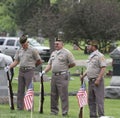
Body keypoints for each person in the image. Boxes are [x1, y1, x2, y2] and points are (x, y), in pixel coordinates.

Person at [4, 35, 42, 110]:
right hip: (21, 70)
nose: (23, 46)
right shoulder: (19, 50)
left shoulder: (32, 50)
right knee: (20, 89)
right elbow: (16, 61)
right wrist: (9, 67)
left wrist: (33, 66)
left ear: (27, 42)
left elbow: (39, 60)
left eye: (24, 44)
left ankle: (29, 107)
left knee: (29, 89)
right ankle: (20, 107)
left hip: (29, 70)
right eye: (22, 44)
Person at [41, 38, 76, 116]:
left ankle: (64, 111)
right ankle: (54, 111)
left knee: (63, 94)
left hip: (62, 75)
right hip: (54, 76)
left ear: (62, 45)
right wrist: (44, 71)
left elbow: (73, 63)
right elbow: (49, 64)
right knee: (53, 94)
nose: (56, 45)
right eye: (55, 44)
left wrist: (65, 68)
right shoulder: (53, 53)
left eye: (58, 44)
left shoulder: (67, 53)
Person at [80, 40, 106, 118]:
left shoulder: (100, 56)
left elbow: (103, 67)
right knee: (91, 99)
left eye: (89, 46)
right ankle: (93, 115)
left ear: (93, 46)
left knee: (99, 99)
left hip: (97, 81)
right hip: (90, 81)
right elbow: (89, 68)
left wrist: (98, 79)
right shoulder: (91, 56)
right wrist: (83, 76)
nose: (88, 47)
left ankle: (101, 115)